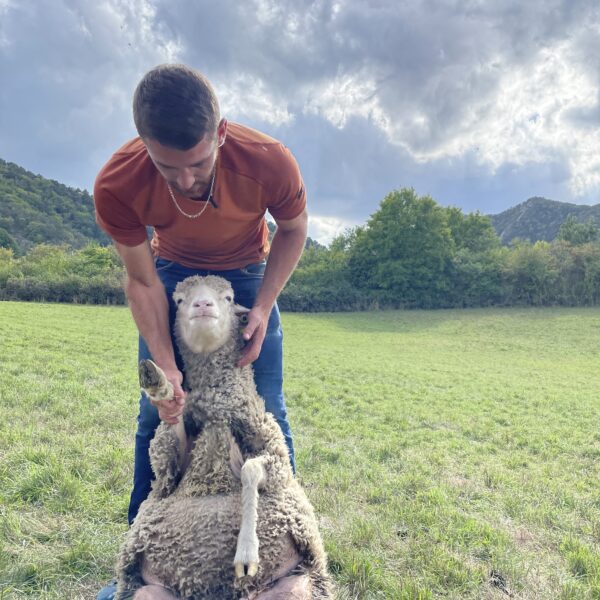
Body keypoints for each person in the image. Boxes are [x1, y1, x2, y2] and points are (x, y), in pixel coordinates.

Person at [94, 64, 307, 600]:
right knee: (157, 411)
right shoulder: (117, 183)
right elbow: (142, 281)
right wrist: (165, 363)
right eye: (169, 168)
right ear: (144, 146)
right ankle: (139, 559)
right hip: (173, 278)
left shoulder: (268, 161)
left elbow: (294, 228)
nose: (186, 181)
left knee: (268, 408)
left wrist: (263, 305)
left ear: (221, 133)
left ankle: (295, 549)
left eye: (198, 164)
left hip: (248, 271)